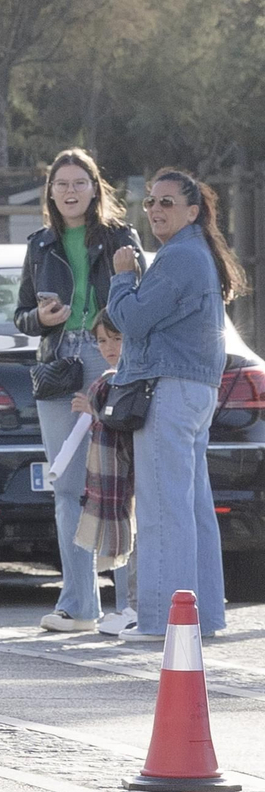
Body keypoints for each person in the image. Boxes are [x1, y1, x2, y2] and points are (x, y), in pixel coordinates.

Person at [106, 168, 246, 641]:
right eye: (149, 202)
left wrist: (123, 279)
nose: (155, 210)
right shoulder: (193, 254)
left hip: (169, 390)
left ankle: (162, 621)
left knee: (164, 509)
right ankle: (200, 616)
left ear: (192, 211)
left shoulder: (181, 256)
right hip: (193, 391)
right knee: (191, 508)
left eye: (167, 202)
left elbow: (134, 320)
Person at [13, 149, 144, 632]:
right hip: (58, 363)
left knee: (118, 480)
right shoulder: (40, 245)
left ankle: (131, 607)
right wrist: (39, 319)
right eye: (62, 184)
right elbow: (21, 315)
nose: (70, 191)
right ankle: (79, 606)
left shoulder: (120, 237)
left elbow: (139, 297)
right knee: (67, 483)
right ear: (50, 192)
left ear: (95, 188)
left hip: (109, 353)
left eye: (79, 183)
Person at [71, 310, 137, 635]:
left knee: (138, 531)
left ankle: (135, 608)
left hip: (133, 474)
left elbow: (122, 413)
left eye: (117, 338)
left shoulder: (122, 378)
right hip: (125, 475)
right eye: (101, 340)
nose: (109, 347)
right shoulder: (110, 378)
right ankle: (132, 607)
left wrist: (95, 407)